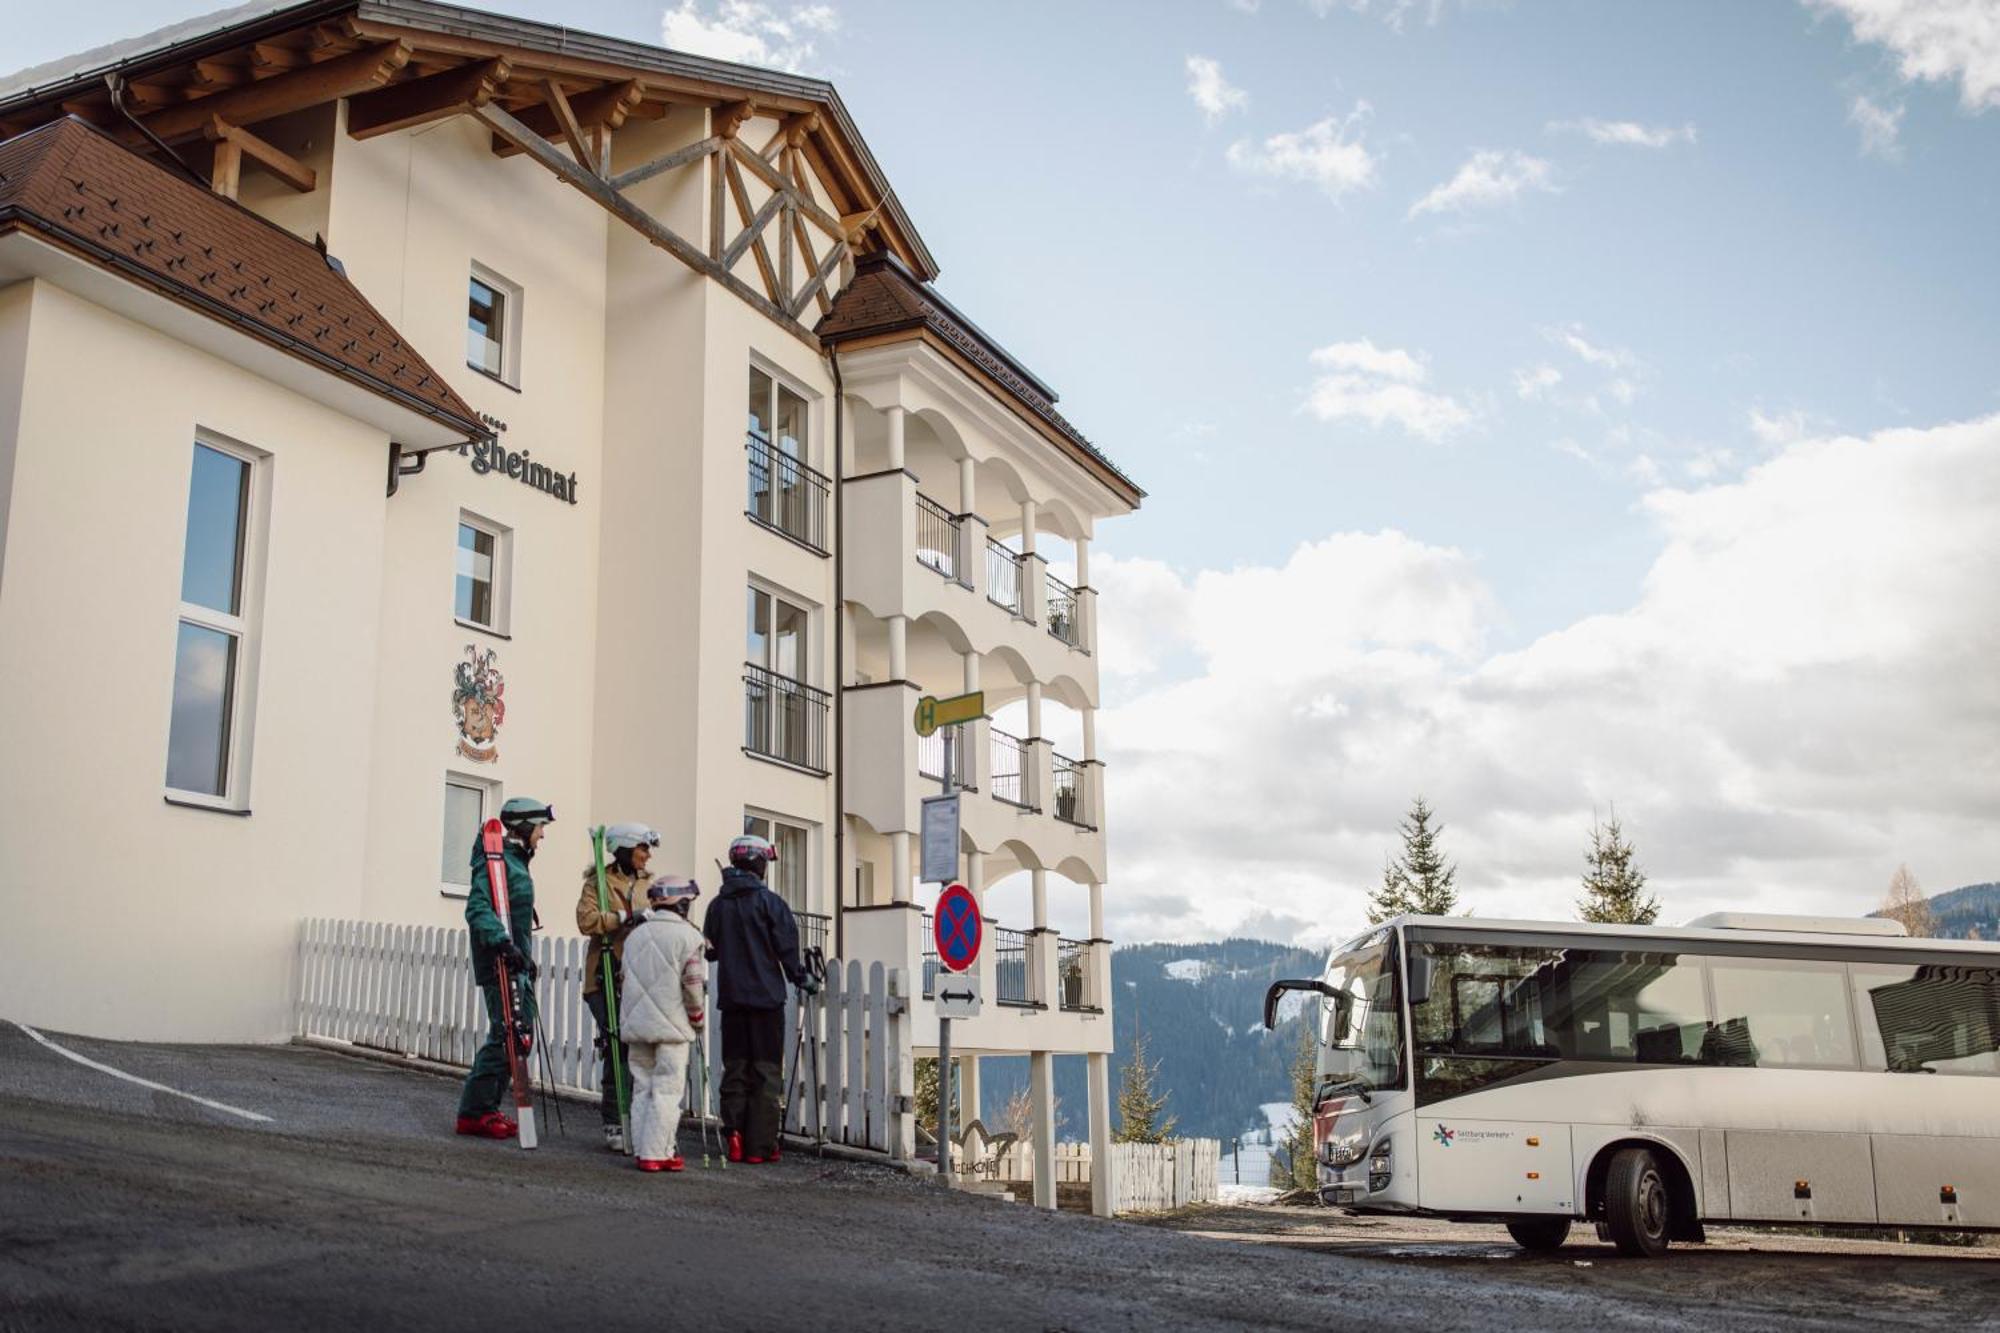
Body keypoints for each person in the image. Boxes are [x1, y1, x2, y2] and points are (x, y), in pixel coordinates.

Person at [703, 833, 815, 1164]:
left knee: (735, 1068)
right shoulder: (771, 904)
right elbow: (788, 951)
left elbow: (711, 951)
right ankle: (760, 1146)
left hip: (733, 1000)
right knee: (766, 1073)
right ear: (758, 863)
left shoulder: (716, 905)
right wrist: (801, 978)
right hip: (767, 1002)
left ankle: (734, 1135)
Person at [456, 797, 555, 1138]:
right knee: (505, 1036)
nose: (542, 835)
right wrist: (502, 944)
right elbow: (478, 908)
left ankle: (488, 1106)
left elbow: (512, 917)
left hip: (515, 964)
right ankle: (474, 1112)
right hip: (498, 964)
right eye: (540, 827)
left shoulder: (514, 863)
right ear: (524, 827)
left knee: (519, 1038)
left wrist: (524, 958)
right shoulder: (496, 864)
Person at [619, 875, 708, 1173]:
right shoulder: (688, 938)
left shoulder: (635, 936)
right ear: (681, 905)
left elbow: (624, 979)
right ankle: (658, 1153)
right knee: (668, 1091)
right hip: (672, 1027)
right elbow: (693, 987)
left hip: (638, 1025)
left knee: (642, 1087)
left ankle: (643, 1149)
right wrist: (697, 1020)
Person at [577, 822, 657, 1152]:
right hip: (604, 975)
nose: (647, 855)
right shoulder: (597, 882)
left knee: (637, 1048)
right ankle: (614, 1119)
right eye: (642, 848)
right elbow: (586, 921)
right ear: (625, 849)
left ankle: (638, 1117)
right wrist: (623, 919)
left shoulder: (649, 884)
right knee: (615, 1045)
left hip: (639, 976)